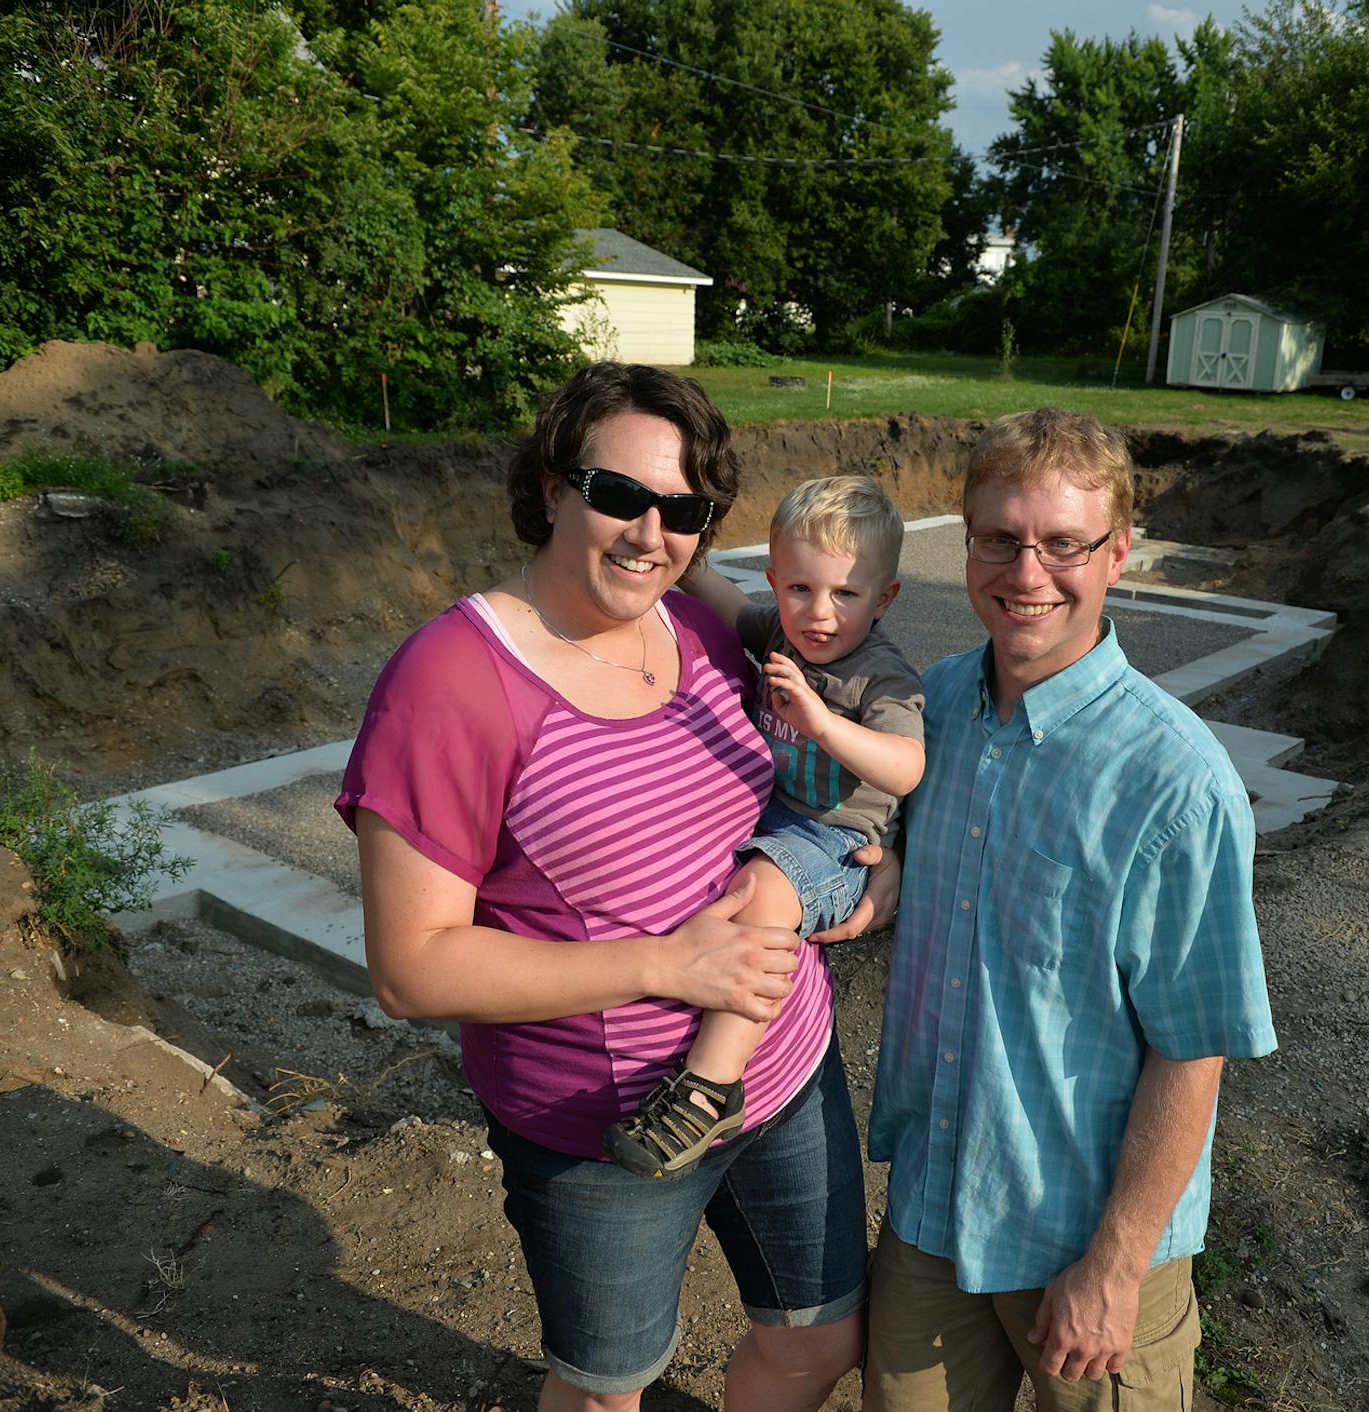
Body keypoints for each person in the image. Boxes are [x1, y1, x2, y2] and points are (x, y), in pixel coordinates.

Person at [335, 362, 878, 1412]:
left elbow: (809, 769)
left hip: (789, 1073)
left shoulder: (703, 628)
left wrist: (866, 856)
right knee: (605, 1391)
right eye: (619, 494)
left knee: (820, 1340)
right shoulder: (451, 679)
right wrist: (669, 964)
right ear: (551, 487)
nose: (649, 532)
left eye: (683, 509)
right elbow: (412, 965)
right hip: (606, 1133)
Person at [863, 408, 1278, 1412]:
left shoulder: (1177, 782)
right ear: (966, 544)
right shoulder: (938, 710)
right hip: (932, 1206)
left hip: (1081, 1245)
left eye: (1063, 543)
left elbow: (1194, 1049)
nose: (1027, 572)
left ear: (1119, 553)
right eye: (1000, 539)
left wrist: (1116, 1263)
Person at [604, 476, 925, 1178]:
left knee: (770, 893)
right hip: (777, 818)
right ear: (778, 582)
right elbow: (728, 604)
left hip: (838, 841)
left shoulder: (883, 677)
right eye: (801, 589)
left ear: (885, 596)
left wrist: (824, 722)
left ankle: (711, 1085)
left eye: (846, 594)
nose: (819, 613)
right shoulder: (781, 630)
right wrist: (689, 568)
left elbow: (904, 768)